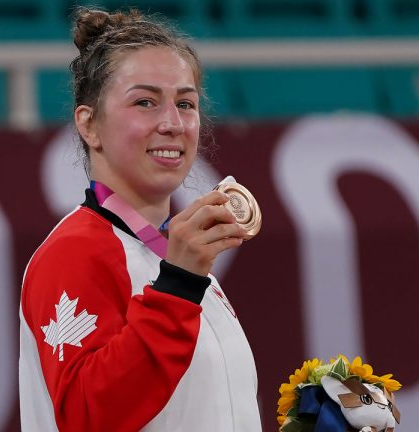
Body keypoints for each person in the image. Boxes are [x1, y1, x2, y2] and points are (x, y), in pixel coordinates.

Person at [18, 7, 262, 431]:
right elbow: (87, 417)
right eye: (145, 102)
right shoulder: (75, 252)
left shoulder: (169, 259)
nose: (172, 123)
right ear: (89, 124)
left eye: (185, 103)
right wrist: (179, 285)